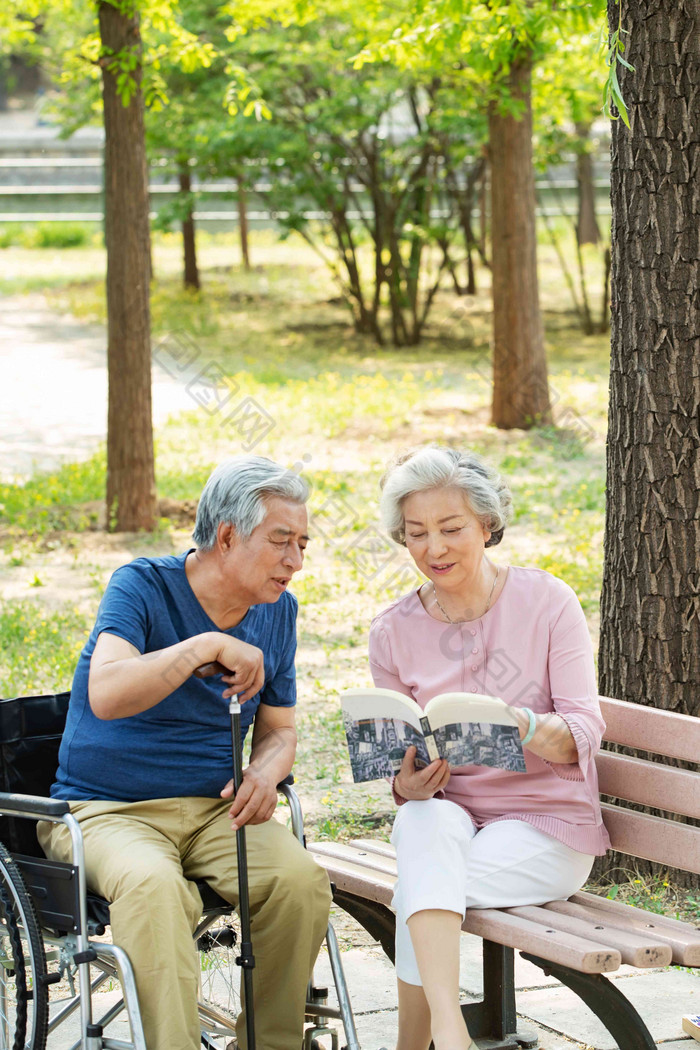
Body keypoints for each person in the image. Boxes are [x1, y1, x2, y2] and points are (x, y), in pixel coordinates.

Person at [38, 456, 332, 1050]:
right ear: (227, 537)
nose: (295, 562)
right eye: (281, 542)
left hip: (213, 811)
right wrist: (205, 645)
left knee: (300, 882)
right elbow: (108, 691)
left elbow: (279, 729)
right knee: (153, 885)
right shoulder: (142, 586)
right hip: (104, 812)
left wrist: (267, 771)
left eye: (302, 544)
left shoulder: (280, 613)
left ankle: (267, 1045)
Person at [368, 446, 610, 1050]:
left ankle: (422, 1041)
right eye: (417, 533)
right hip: (451, 819)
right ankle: (449, 1034)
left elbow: (583, 728)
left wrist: (521, 722)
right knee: (424, 824)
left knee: (420, 885)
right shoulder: (393, 631)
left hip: (546, 824)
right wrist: (407, 784)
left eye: (451, 529)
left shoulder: (548, 601)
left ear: (486, 525)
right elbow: (399, 770)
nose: (435, 548)